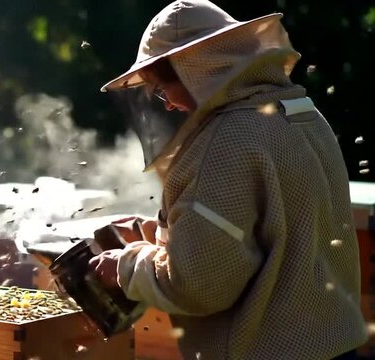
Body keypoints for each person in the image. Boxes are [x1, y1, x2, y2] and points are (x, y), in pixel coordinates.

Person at [88, 1, 368, 359]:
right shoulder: (303, 113)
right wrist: (154, 234)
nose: (167, 105)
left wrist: (125, 267)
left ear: (195, 70)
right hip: (335, 345)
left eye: (162, 88)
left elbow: (199, 285)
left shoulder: (226, 141)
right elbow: (274, 231)